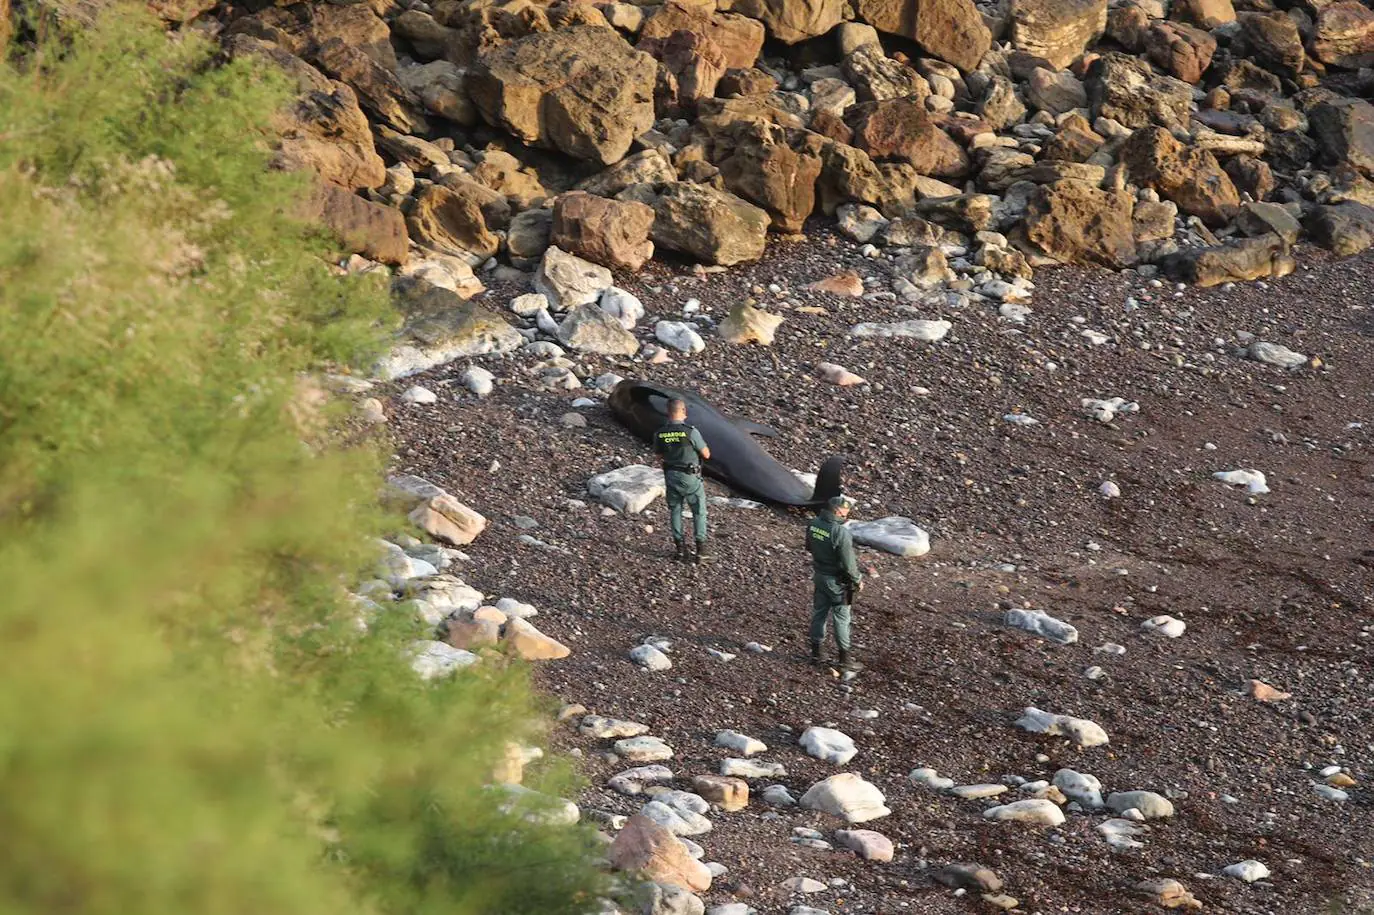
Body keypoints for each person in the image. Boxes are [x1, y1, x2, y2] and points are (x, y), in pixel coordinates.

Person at [806, 495, 864, 670]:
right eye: (845, 510)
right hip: (837, 581)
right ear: (837, 511)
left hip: (819, 575)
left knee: (819, 613)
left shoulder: (813, 524)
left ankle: (817, 653)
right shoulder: (840, 532)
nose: (847, 513)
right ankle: (844, 658)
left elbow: (809, 547)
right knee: (841, 617)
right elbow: (849, 563)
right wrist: (857, 580)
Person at [654, 398, 711, 563]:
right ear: (684, 411)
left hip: (671, 476)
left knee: (675, 511)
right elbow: (706, 454)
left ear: (668, 412)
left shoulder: (660, 433)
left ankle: (680, 550)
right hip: (690, 477)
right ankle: (702, 551)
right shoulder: (690, 432)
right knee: (699, 511)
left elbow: (658, 456)